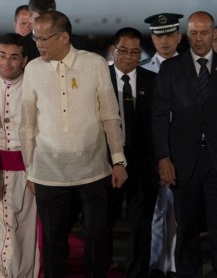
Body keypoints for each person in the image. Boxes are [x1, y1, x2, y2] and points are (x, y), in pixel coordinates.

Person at [19, 10, 128, 278]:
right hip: (47, 173)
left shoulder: (94, 64)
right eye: (35, 38)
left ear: (64, 37)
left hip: (93, 170)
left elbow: (110, 116)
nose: (38, 44)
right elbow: (27, 124)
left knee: (98, 236)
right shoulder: (32, 68)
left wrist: (118, 159)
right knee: (54, 242)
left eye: (44, 38)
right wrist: (30, 168)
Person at [152, 11, 217, 277]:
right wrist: (163, 157)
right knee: (187, 231)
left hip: (216, 163)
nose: (199, 38)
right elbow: (158, 116)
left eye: (204, 32)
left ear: (214, 33)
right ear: (186, 35)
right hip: (182, 164)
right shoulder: (170, 68)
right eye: (193, 32)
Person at [0, 33, 39, 278]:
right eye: (2, 56)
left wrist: (36, 172)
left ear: (24, 60)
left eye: (14, 57)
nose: (6, 62)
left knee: (24, 230)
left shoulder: (34, 84)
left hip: (26, 171)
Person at [107, 27, 158, 278]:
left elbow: (159, 126)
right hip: (106, 163)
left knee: (141, 225)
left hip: (143, 164)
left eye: (135, 52)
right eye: (123, 50)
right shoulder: (99, 78)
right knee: (102, 224)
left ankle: (137, 272)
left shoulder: (152, 80)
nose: (128, 56)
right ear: (113, 50)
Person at [142, 13, 183, 278]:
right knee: (154, 212)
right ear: (152, 38)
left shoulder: (192, 68)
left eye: (169, 35)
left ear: (179, 37)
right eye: (159, 35)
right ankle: (154, 265)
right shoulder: (143, 70)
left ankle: (173, 266)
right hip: (151, 153)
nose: (164, 41)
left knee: (178, 214)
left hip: (185, 151)